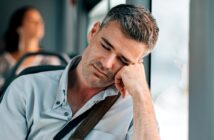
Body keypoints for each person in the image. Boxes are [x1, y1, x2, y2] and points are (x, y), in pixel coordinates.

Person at [0, 4, 159, 140]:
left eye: (123, 60)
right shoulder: (26, 90)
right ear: (94, 31)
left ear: (136, 66)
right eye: (105, 46)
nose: (106, 63)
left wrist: (141, 92)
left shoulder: (135, 112)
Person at [0, 6, 60, 88]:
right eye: (32, 21)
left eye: (40, 20)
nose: (39, 24)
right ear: (19, 27)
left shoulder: (50, 60)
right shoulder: (3, 61)